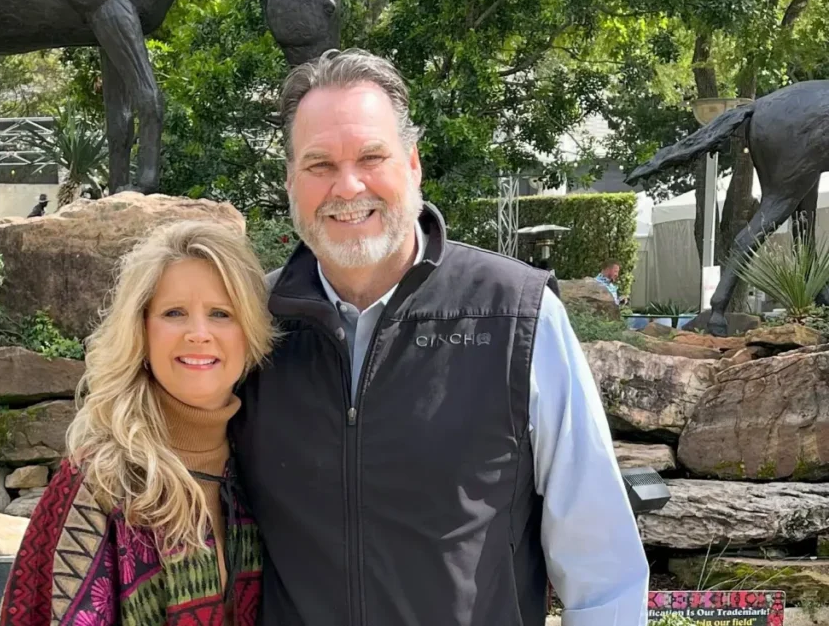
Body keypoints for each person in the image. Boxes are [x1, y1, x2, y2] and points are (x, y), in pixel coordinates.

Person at [231, 49, 649, 626]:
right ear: (290, 181)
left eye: (371, 157)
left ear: (413, 165)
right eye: (319, 164)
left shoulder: (518, 317)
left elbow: (600, 566)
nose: (347, 186)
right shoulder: (250, 326)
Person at [0, 221, 275, 626]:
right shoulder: (100, 480)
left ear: (249, 332)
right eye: (174, 313)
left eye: (221, 313)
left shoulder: (265, 469)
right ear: (141, 330)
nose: (199, 333)